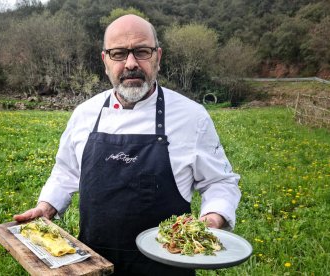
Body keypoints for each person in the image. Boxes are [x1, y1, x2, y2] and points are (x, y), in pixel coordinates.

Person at [14, 14, 241, 275]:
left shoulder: (192, 117)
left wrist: (212, 218)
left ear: (158, 57)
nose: (131, 63)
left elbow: (219, 182)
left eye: (142, 52)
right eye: (119, 53)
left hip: (167, 265)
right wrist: (46, 206)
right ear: (105, 61)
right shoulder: (84, 113)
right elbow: (66, 171)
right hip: (92, 263)